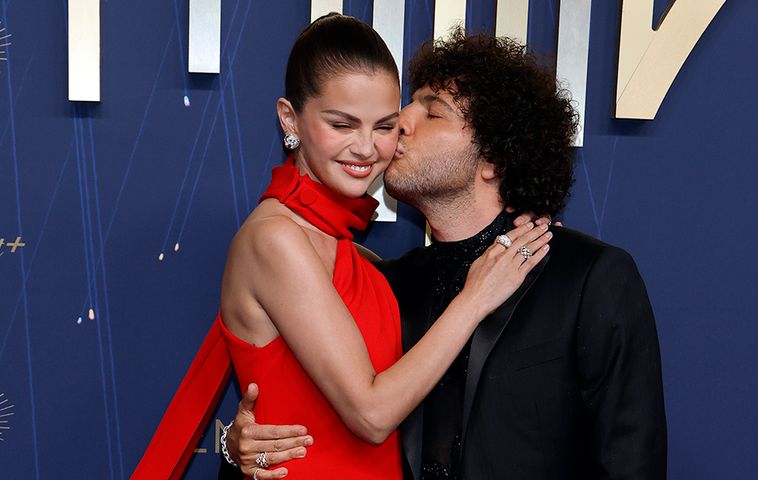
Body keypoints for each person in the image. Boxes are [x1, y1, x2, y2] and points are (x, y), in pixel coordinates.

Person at [222, 30, 667, 480]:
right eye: (402, 109)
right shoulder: (386, 283)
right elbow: (301, 414)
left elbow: (631, 464)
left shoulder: (587, 278)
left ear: (492, 158)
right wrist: (234, 446)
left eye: (431, 112)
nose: (400, 126)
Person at [132, 15, 552, 480]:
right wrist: (474, 299)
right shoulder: (276, 238)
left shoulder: (360, 259)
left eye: (384, 126)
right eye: (342, 124)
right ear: (290, 118)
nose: (366, 148)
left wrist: (237, 443)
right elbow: (371, 415)